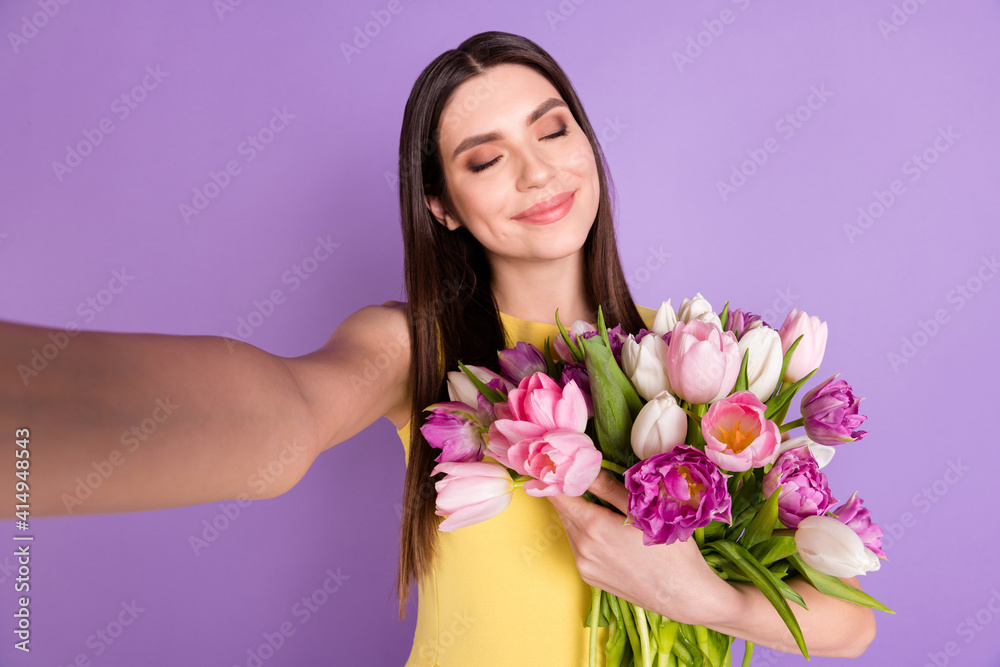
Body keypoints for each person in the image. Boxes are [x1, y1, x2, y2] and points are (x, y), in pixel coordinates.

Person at [1, 30, 875, 666]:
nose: (538, 172)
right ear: (443, 207)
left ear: (588, 144)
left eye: (553, 129)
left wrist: (703, 600)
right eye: (485, 159)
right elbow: (290, 414)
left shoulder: (705, 363)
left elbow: (849, 622)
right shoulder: (415, 344)